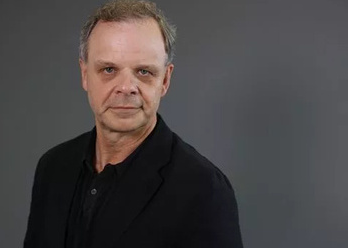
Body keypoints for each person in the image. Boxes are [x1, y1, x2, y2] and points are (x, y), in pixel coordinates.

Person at [23, 0, 243, 247]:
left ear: (165, 80)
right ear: (85, 74)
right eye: (108, 69)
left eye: (143, 72)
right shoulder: (52, 168)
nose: (126, 88)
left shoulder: (204, 190)